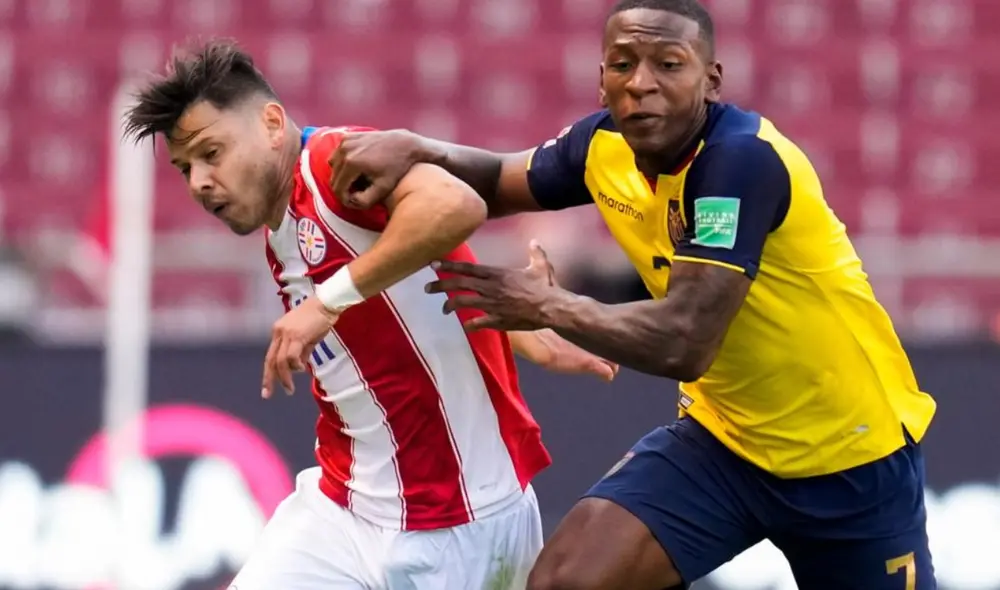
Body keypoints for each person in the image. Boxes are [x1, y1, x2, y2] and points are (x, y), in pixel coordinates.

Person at [322, 0, 940, 588]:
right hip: (725, 443)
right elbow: (495, 179)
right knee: (571, 580)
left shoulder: (741, 163)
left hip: (852, 459)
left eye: (668, 65)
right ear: (601, 80)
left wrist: (547, 306)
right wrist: (419, 147)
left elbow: (686, 341)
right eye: (623, 64)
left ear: (711, 79)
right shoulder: (602, 147)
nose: (641, 82)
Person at [123, 40, 619, 590]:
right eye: (185, 167)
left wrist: (326, 301)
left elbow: (457, 205)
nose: (198, 182)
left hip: (461, 519)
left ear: (270, 123)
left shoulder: (337, 163)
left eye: (212, 154)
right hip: (343, 508)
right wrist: (519, 326)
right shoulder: (280, 227)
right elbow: (424, 263)